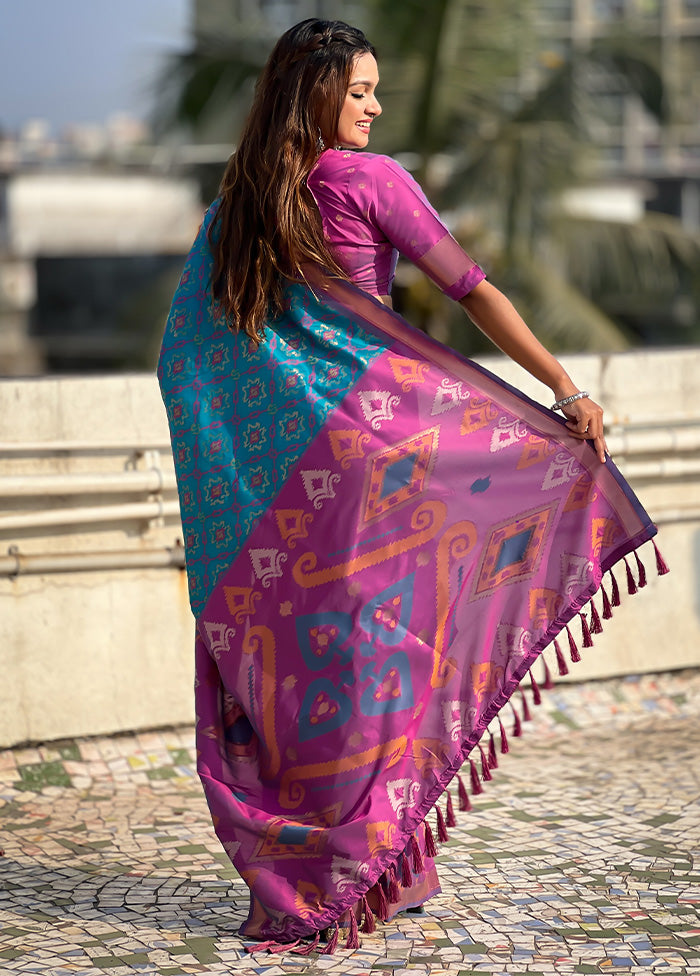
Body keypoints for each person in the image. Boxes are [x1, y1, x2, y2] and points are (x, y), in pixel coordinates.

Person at [158, 18, 664, 954]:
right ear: (314, 97)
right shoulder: (370, 180)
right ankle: (380, 863)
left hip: (286, 488)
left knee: (322, 661)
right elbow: (471, 290)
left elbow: (188, 358)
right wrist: (563, 386)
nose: (375, 106)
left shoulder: (239, 206)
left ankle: (363, 860)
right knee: (388, 651)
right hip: (380, 466)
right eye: (357, 92)